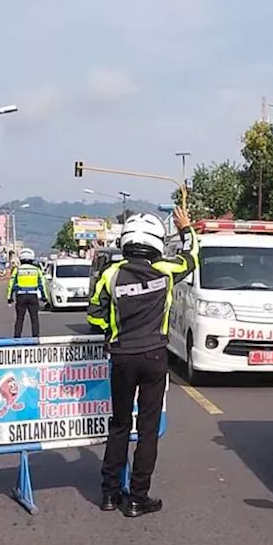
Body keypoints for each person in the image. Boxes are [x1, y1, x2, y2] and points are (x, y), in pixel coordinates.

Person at [86, 206, 196, 517]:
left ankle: (109, 495)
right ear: (157, 242)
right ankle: (138, 497)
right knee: (147, 429)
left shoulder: (111, 274)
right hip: (154, 357)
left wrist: (113, 332)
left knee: (119, 424)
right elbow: (192, 258)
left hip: (121, 357)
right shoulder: (166, 270)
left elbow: (94, 314)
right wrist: (186, 228)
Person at [7, 248, 46, 337]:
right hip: (33, 296)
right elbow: (42, 285)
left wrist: (9, 297)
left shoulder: (17, 270)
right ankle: (35, 338)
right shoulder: (37, 270)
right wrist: (44, 297)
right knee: (34, 318)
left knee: (20, 318)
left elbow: (11, 284)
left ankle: (17, 338)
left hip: (21, 296)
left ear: (21, 259)